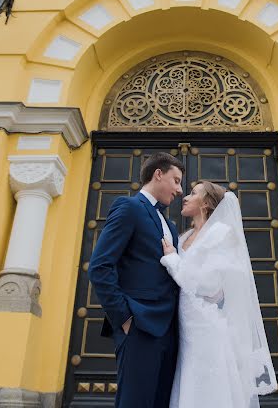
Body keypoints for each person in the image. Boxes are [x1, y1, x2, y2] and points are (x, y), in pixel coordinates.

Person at [161, 181, 277, 408]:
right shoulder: (183, 237)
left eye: (193, 193)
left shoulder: (220, 234)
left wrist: (173, 260)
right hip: (182, 327)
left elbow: (210, 287)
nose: (184, 196)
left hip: (205, 328)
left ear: (205, 203)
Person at [88, 152, 184, 408]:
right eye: (176, 181)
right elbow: (100, 266)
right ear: (158, 174)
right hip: (140, 325)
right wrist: (125, 318)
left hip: (170, 328)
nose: (180, 189)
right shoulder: (129, 207)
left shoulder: (171, 225)